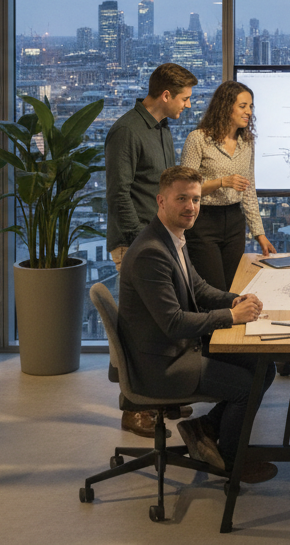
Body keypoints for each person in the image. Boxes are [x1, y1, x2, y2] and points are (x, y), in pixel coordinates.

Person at [116, 166, 278, 484]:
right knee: (247, 386)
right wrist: (232, 317)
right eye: (182, 199)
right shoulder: (152, 253)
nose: (191, 207)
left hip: (174, 350)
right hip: (161, 365)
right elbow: (174, 323)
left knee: (264, 366)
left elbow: (199, 288)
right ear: (161, 201)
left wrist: (234, 300)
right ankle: (230, 461)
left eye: (195, 199)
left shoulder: (172, 237)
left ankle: (204, 429)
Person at [105, 62, 198, 438]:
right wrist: (137, 240)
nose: (188, 106)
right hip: (137, 243)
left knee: (163, 323)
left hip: (160, 237)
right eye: (185, 99)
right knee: (138, 328)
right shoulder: (126, 131)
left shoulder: (162, 130)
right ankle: (134, 408)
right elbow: (118, 193)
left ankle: (162, 395)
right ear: (165, 95)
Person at [179, 80, 275, 290]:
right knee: (213, 290)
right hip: (203, 222)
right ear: (225, 107)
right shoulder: (198, 139)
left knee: (233, 287)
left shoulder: (247, 142)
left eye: (251, 107)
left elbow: (249, 191)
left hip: (234, 222)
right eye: (243, 106)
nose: (248, 112)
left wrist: (260, 234)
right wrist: (222, 182)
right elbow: (185, 189)